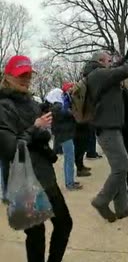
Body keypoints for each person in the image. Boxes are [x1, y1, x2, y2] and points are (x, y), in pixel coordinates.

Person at [0, 55, 73, 262]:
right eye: (20, 75)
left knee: (64, 223)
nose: (25, 79)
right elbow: (10, 148)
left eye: (28, 75)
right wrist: (36, 127)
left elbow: (43, 134)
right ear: (8, 77)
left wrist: (42, 128)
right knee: (35, 234)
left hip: (44, 175)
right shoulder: (3, 106)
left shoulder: (32, 102)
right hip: (22, 179)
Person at [86, 46, 128, 222]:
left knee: (120, 167)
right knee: (122, 167)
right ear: (101, 62)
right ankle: (102, 200)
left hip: (111, 128)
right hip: (108, 129)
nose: (111, 64)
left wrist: (127, 55)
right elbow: (124, 70)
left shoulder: (100, 75)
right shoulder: (98, 75)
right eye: (108, 61)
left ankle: (122, 207)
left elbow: (118, 67)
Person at [51, 82, 83, 190]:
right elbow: (70, 114)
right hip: (65, 135)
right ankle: (70, 183)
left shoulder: (58, 106)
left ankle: (70, 181)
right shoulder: (58, 107)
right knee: (69, 159)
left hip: (65, 135)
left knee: (68, 159)